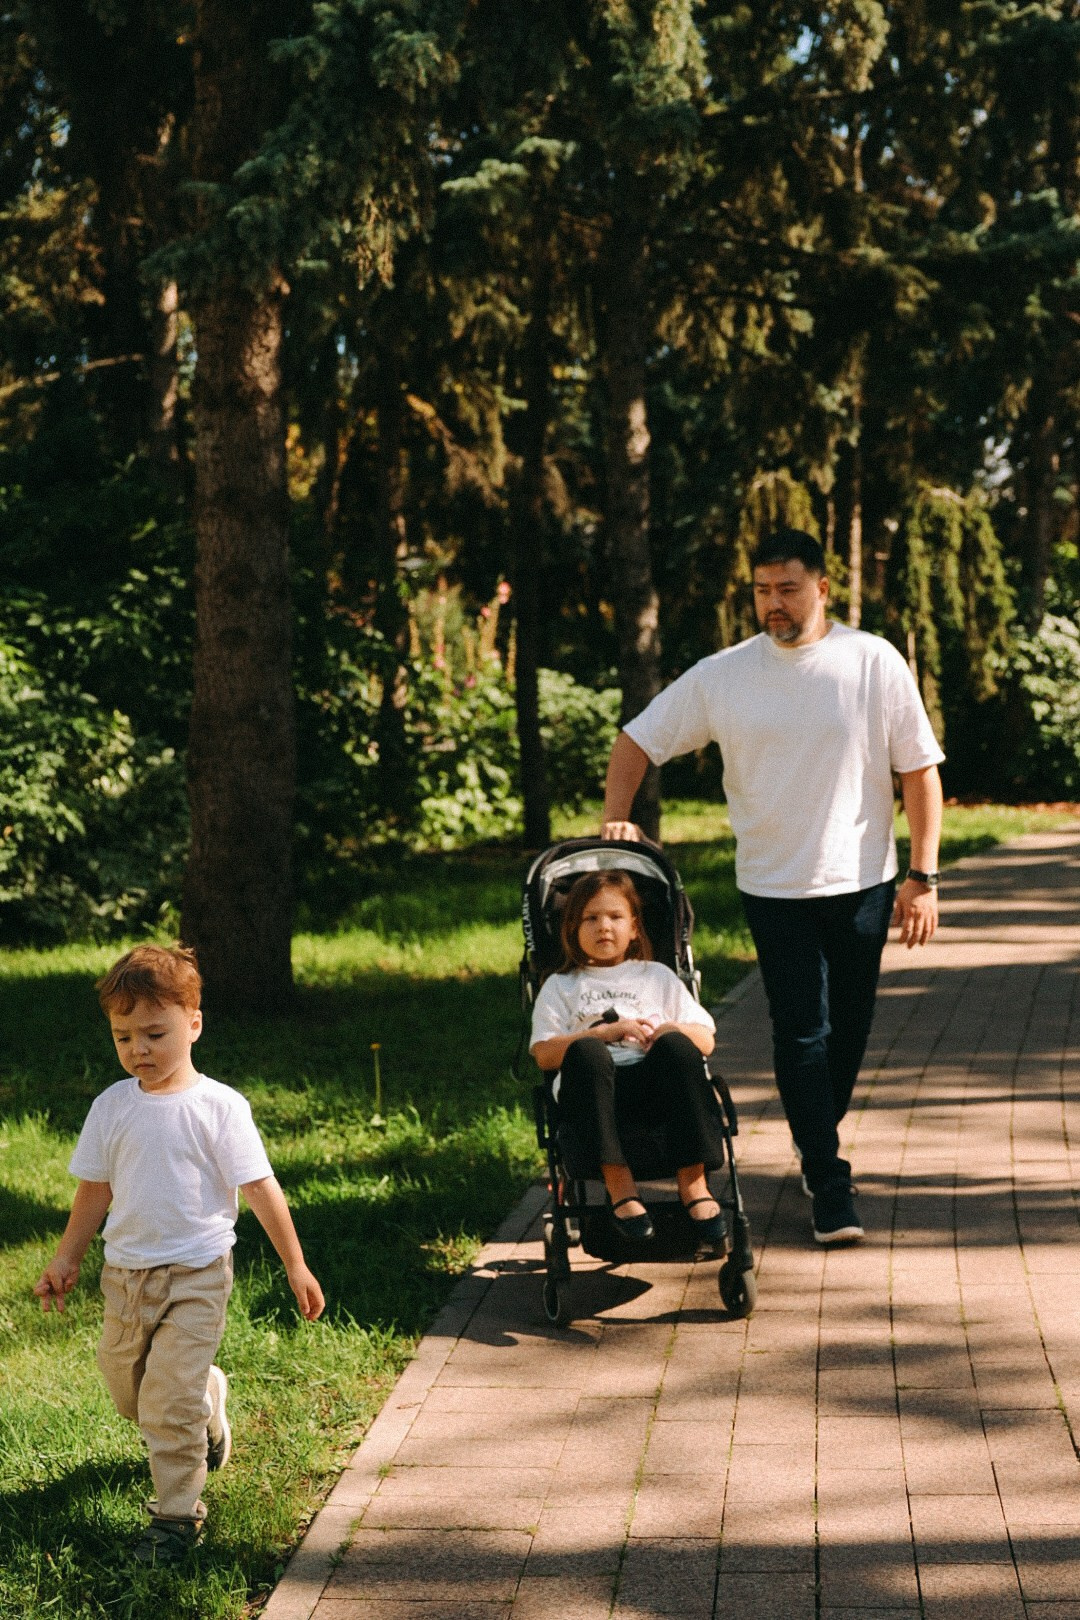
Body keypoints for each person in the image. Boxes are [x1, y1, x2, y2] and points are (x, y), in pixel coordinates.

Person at [601, 527, 945, 1245]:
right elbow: (636, 739)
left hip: (863, 883)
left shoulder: (872, 661)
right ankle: (828, 1177)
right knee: (801, 1030)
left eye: (788, 589)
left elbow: (918, 770)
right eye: (762, 591)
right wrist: (615, 821)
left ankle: (815, 1129)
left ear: (823, 588)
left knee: (849, 1027)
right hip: (772, 886)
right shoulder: (724, 675)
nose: (773, 604)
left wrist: (923, 876)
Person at [33, 943, 324, 1566]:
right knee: (129, 1394)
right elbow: (94, 1190)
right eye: (124, 1037)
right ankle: (206, 1398)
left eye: (154, 1033)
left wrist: (295, 1264)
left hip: (197, 1273)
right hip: (125, 1276)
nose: (139, 1049)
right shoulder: (112, 1107)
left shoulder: (219, 1107)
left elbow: (260, 1187)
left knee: (165, 1406)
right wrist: (66, 1258)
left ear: (193, 1024)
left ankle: (176, 1517)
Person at [530, 869, 727, 1244]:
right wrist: (599, 1034)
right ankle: (619, 1184)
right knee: (586, 1050)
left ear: (635, 928)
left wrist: (669, 1030)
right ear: (572, 929)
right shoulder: (561, 985)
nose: (604, 926)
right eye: (591, 918)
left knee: (678, 1046)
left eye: (615, 917)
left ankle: (694, 1183)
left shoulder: (657, 977)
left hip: (655, 1087)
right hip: (593, 1092)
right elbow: (543, 1055)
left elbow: (705, 1041)